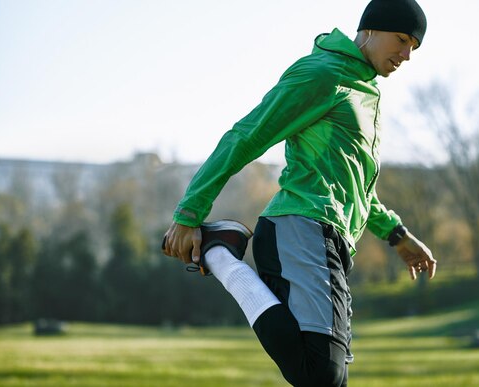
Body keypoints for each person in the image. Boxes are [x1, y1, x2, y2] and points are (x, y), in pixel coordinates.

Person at [162, 0, 437, 385]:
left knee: (328, 377)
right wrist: (189, 212)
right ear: (371, 28)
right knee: (320, 373)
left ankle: (219, 248)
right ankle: (218, 252)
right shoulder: (323, 74)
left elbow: (352, 186)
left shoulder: (365, 92)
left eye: (414, 48)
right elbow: (246, 136)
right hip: (303, 227)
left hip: (329, 237)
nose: (407, 55)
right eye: (402, 40)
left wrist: (397, 234)